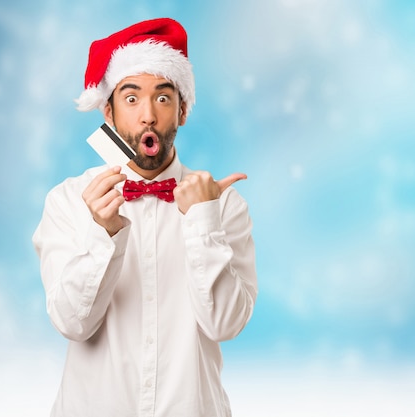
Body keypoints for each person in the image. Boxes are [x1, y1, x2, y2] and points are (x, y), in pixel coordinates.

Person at [32, 17, 258, 417]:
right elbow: (71, 323)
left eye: (163, 98)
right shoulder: (67, 200)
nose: (148, 115)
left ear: (182, 111)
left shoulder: (224, 205)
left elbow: (226, 325)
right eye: (132, 98)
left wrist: (203, 223)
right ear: (109, 111)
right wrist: (104, 237)